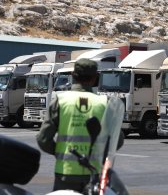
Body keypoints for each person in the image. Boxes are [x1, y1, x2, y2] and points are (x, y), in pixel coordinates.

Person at [36, 58, 124, 192]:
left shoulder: (60, 101)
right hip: (94, 173)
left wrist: (60, 152)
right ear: (96, 78)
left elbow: (43, 139)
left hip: (66, 173)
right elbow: (118, 139)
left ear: (73, 76)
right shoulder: (104, 103)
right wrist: (100, 153)